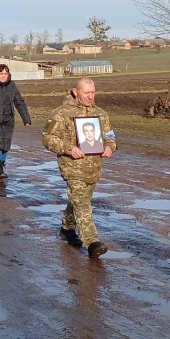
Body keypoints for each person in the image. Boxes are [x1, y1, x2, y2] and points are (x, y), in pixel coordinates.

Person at [42, 77, 116, 258]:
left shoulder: (101, 113)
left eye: (93, 92)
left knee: (78, 200)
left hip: (94, 167)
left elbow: (109, 135)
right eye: (86, 93)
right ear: (75, 92)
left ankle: (67, 227)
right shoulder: (60, 113)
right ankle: (92, 242)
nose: (90, 96)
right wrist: (69, 149)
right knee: (82, 204)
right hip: (72, 167)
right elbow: (47, 137)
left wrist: (110, 147)